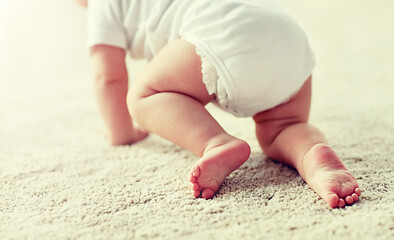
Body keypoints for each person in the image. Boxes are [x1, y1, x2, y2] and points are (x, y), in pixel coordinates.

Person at [75, 0, 361, 208]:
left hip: (224, 36)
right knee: (284, 126)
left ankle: (216, 143)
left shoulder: (102, 5)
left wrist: (121, 132)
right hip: (289, 37)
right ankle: (313, 155)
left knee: (144, 96)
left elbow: (108, 77)